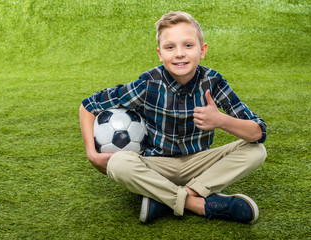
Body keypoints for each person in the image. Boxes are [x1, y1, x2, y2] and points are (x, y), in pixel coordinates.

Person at [79, 11, 267, 224]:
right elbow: (88, 106)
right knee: (118, 163)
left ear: (202, 50)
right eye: (170, 47)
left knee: (256, 150)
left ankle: (164, 198)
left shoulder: (213, 82)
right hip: (155, 165)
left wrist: (221, 121)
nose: (179, 54)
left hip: (198, 164)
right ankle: (196, 203)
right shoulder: (148, 84)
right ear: (160, 54)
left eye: (188, 45)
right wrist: (92, 154)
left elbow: (258, 132)